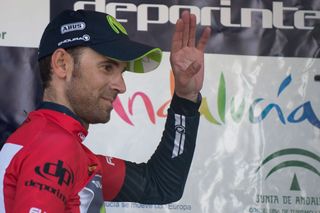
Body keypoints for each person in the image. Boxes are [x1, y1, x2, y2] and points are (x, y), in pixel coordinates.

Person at [0, 9, 210, 212]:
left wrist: (185, 97)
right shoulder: (53, 148)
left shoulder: (58, 147)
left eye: (122, 71)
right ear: (62, 64)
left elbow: (161, 184)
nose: (121, 86)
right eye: (107, 67)